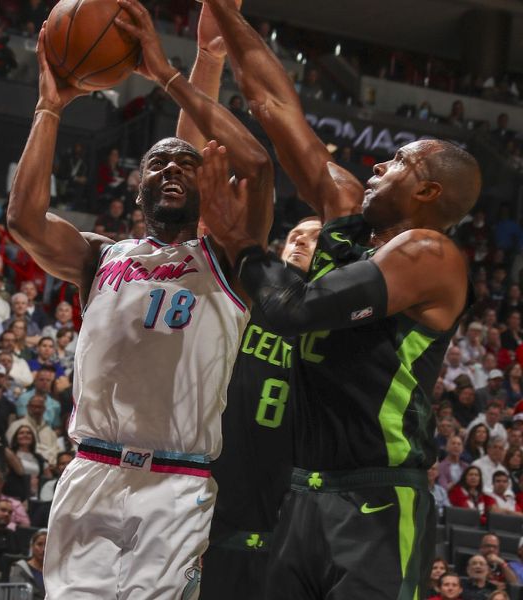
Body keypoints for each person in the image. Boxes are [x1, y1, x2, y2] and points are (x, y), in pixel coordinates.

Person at [198, 0, 481, 598]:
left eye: (401, 161)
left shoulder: (430, 255)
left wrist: (243, 243)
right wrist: (218, 18)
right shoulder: (348, 223)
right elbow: (274, 107)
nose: (380, 162)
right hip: (303, 494)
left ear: (428, 190)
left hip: (379, 495)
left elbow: (294, 310)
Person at [8, 2, 271, 594]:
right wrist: (50, 106)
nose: (173, 168)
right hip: (91, 471)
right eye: (158, 163)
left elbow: (255, 164)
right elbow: (24, 220)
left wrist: (186, 67)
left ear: (205, 185)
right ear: (138, 189)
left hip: (175, 483)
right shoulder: (101, 257)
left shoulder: (226, 260)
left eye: (187, 163)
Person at [200, 216, 320, 598]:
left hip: (285, 502)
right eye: (295, 236)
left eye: (315, 238)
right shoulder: (248, 297)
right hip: (219, 485)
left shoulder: (329, 325)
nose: (300, 241)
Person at [9, 529, 46, 600]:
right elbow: (17, 595)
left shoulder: (54, 570)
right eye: (39, 544)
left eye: (47, 545)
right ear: (32, 546)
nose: (43, 549)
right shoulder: (20, 568)